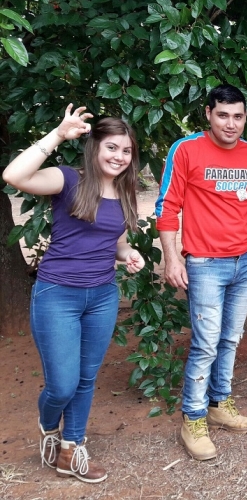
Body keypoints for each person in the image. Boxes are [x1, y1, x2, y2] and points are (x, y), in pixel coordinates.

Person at [2, 104, 145, 483]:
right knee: (62, 384)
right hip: (57, 295)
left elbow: (117, 243)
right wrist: (58, 134)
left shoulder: (125, 192)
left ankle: (71, 448)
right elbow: (13, 175)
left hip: (101, 297)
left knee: (85, 378)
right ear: (95, 147)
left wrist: (129, 254)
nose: (119, 156)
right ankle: (49, 426)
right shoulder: (67, 180)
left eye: (126, 150)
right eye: (112, 148)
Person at [155, 84, 247, 460]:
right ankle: (192, 418)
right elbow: (168, 206)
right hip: (205, 264)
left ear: (245, 118)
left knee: (230, 338)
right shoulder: (186, 149)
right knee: (206, 342)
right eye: (223, 115)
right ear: (208, 114)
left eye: (238, 116)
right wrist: (172, 258)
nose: (231, 123)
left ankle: (219, 403)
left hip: (244, 260)